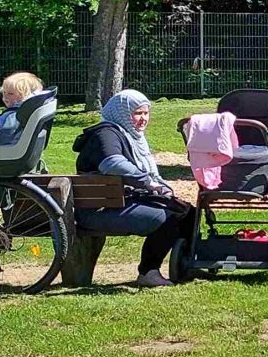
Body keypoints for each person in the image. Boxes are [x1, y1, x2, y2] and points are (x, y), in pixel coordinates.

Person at [72, 89, 197, 288]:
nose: (143, 118)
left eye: (146, 113)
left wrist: (161, 186)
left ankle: (189, 264)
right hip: (98, 210)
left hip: (121, 202)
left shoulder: (132, 136)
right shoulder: (106, 134)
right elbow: (113, 164)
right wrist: (146, 181)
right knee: (165, 217)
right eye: (137, 113)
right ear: (121, 113)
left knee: (188, 213)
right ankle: (148, 272)